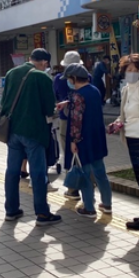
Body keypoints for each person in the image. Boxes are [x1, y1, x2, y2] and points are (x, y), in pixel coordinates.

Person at [1, 48, 61, 226]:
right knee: (37, 172)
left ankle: (11, 210)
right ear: (44, 62)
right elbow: (49, 109)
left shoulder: (11, 73)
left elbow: (4, 102)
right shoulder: (41, 77)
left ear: (30, 59)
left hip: (12, 131)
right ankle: (42, 213)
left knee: (12, 171)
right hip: (34, 132)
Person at [63, 64, 113, 218]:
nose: (69, 82)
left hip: (83, 139)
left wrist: (73, 141)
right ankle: (107, 204)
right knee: (100, 172)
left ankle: (89, 208)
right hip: (97, 137)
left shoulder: (78, 95)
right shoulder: (94, 90)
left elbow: (77, 120)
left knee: (85, 173)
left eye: (70, 79)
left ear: (74, 78)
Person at [112, 54, 139, 231]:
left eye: (136, 70)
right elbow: (124, 114)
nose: (133, 73)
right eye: (129, 70)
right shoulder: (125, 89)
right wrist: (118, 122)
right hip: (131, 137)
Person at [54, 50, 82, 201]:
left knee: (69, 154)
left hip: (66, 120)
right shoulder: (87, 78)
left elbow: (56, 96)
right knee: (83, 154)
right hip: (84, 121)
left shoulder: (59, 79)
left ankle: (72, 189)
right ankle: (87, 189)